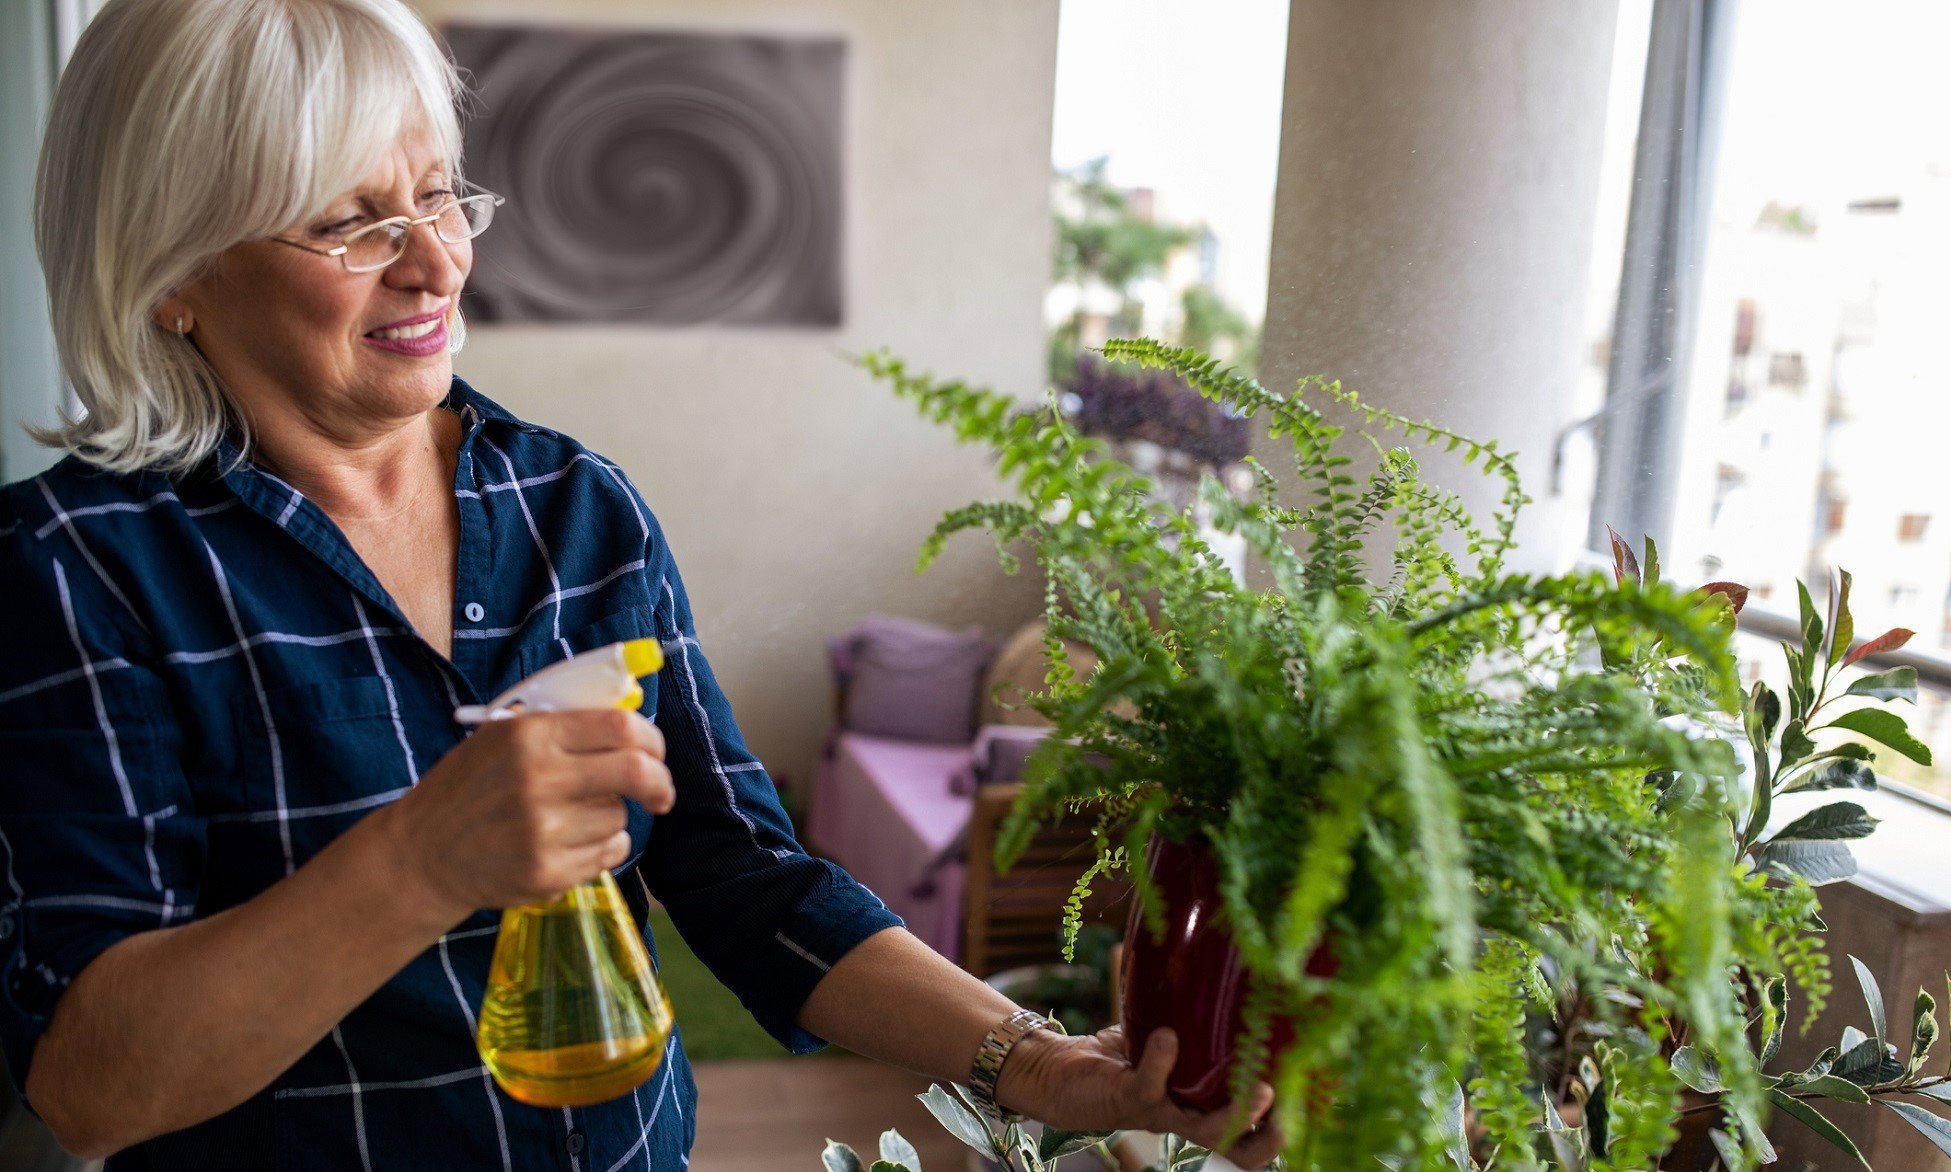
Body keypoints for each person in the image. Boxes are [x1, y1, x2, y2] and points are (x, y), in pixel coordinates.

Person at [0, 1, 1283, 1168]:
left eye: (442, 198)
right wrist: (420, 860)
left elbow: (746, 873)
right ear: (172, 272)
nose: (435, 265)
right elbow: (93, 1085)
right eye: (350, 223)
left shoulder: (573, 506)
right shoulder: (77, 568)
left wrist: (1040, 1060)